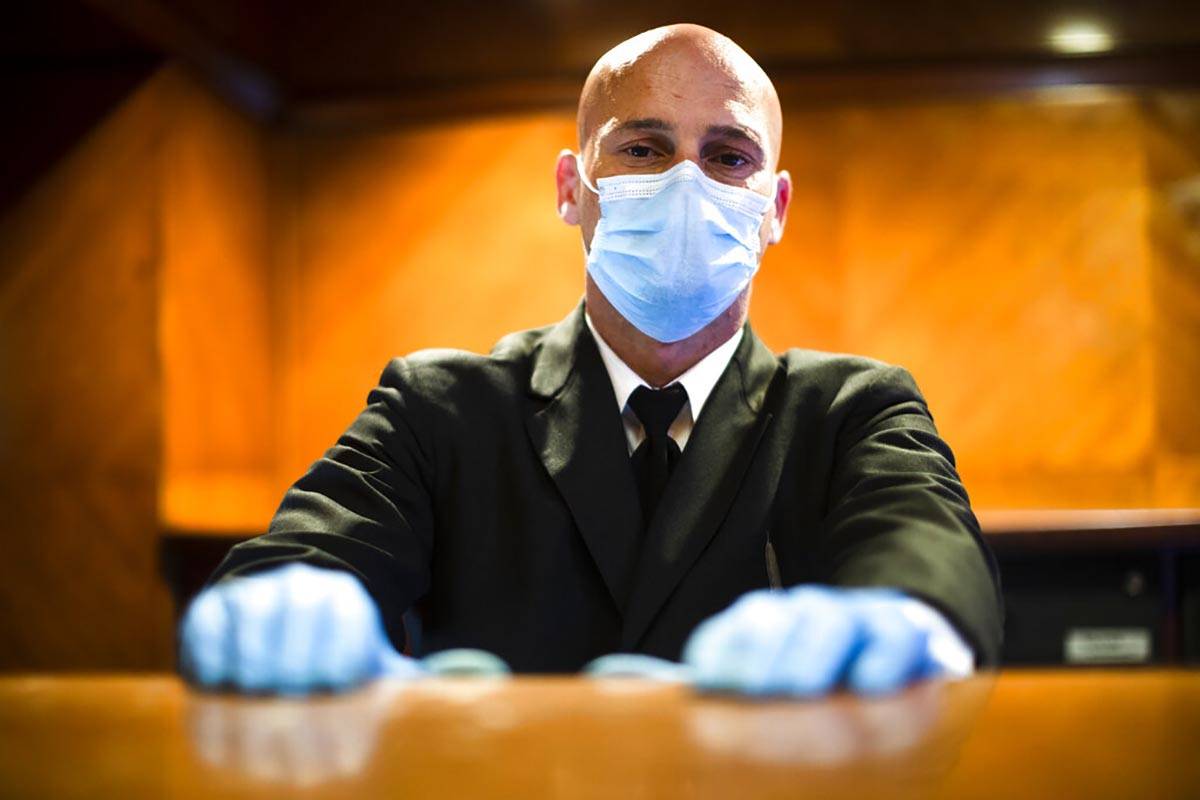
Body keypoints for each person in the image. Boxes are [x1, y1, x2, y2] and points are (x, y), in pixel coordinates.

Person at [179, 23, 1002, 697]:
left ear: (774, 208)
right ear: (573, 189)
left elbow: (926, 546)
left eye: (728, 156)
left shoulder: (854, 410)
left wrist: (903, 620)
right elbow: (304, 558)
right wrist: (284, 609)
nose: (688, 183)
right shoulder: (439, 408)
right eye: (643, 150)